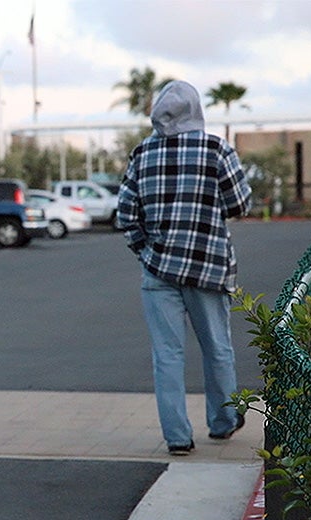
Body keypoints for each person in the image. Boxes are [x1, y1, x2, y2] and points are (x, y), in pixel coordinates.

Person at [117, 80, 252, 456]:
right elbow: (240, 204)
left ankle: (177, 437)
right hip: (208, 267)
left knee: (167, 356)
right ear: (196, 110)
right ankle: (223, 422)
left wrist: (146, 252)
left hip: (158, 270)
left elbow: (126, 214)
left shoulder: (142, 153)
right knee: (217, 349)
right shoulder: (216, 149)